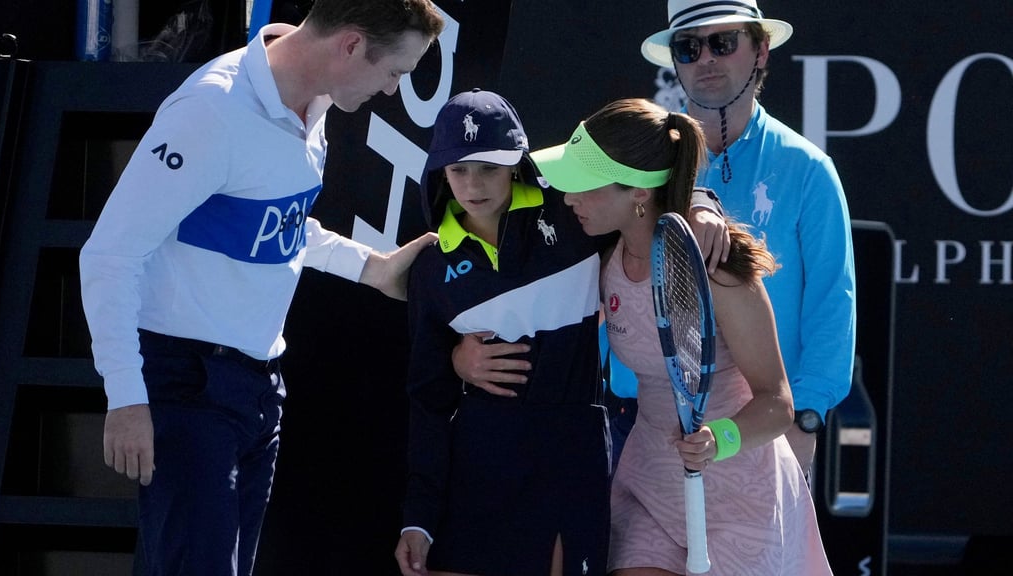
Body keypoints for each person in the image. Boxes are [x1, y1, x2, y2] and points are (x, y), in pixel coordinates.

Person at [78, 2, 445, 574]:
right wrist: (126, 395)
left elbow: (277, 222)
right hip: (187, 389)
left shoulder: (314, 106)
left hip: (257, 393)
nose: (394, 91)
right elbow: (110, 254)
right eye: (394, 72)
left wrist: (370, 267)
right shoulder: (212, 111)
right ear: (350, 46)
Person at [532, 97, 833, 575]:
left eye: (583, 185)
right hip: (649, 478)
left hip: (739, 489)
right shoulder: (600, 255)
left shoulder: (721, 273)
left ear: (636, 192)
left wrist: (719, 439)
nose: (568, 198)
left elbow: (778, 404)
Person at [394, 89, 612, 576]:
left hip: (571, 452)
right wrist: (420, 518)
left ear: (516, 164)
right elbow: (428, 400)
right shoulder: (430, 268)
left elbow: (648, 196)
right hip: (479, 462)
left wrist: (700, 203)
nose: (473, 184)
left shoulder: (573, 214)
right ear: (439, 173)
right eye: (458, 169)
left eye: (489, 167)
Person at [640, 0, 857, 474]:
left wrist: (805, 417)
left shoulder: (809, 170)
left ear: (761, 51)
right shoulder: (644, 167)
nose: (706, 59)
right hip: (651, 430)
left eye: (723, 42)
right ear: (675, 60)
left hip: (766, 434)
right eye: (689, 46)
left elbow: (831, 305)